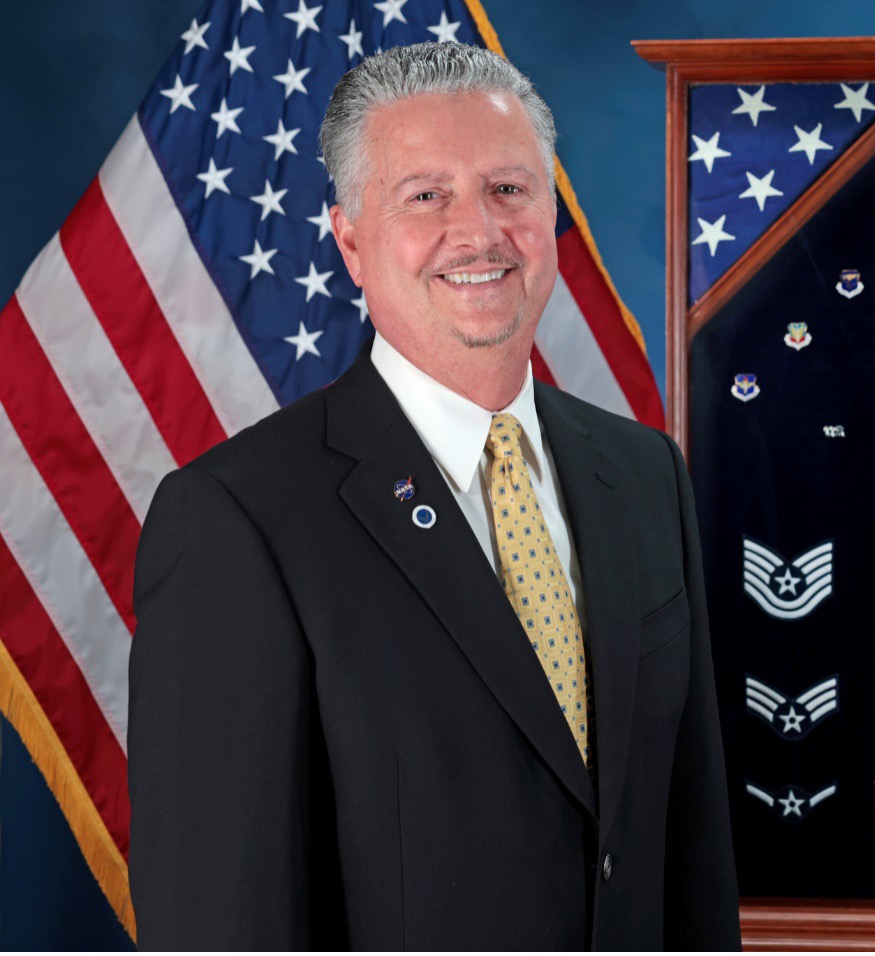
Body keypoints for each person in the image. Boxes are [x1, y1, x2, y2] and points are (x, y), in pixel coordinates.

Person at [128, 42, 740, 950]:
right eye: (426, 196)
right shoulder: (237, 521)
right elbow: (222, 921)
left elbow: (690, 859)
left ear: (549, 215)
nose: (480, 232)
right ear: (350, 243)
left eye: (508, 189)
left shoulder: (645, 475)